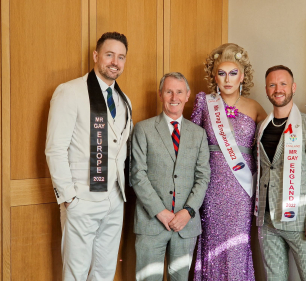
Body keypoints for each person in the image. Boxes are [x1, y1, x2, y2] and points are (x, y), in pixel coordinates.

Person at [45, 32, 132, 280]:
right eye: (109, 55)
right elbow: (55, 148)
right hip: (82, 198)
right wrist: (69, 198)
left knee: (105, 272)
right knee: (76, 272)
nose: (115, 61)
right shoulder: (70, 92)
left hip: (115, 200)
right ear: (96, 56)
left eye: (121, 57)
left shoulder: (124, 101)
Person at [191, 43, 267, 281]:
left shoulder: (254, 107)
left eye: (233, 73)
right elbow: (190, 143)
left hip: (242, 189)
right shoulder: (205, 103)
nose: (227, 79)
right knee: (212, 242)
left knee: (238, 244)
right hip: (211, 186)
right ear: (214, 76)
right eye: (221, 73)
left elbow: (271, 143)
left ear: (242, 76)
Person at [131, 72, 210, 281]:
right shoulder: (143, 129)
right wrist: (161, 212)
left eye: (179, 92)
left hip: (186, 225)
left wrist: (188, 212)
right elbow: (137, 175)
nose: (174, 97)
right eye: (168, 91)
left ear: (187, 95)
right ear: (160, 94)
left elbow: (203, 177)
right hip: (151, 223)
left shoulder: (199, 134)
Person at [254, 65, 306, 280]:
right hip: (268, 222)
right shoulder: (261, 127)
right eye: (272, 84)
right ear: (267, 89)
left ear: (293, 87)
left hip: (300, 222)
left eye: (283, 84)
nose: (278, 89)